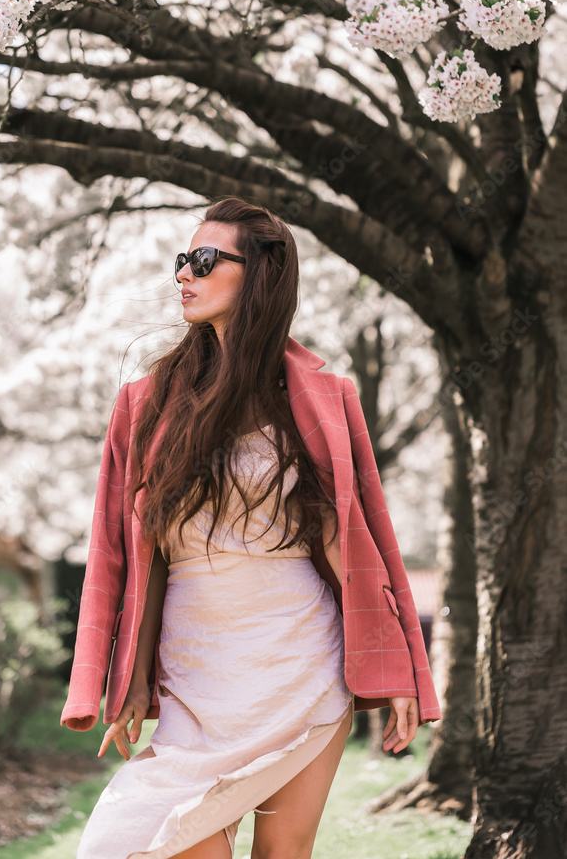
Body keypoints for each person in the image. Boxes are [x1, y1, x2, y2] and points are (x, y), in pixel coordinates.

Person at [61, 197, 442, 859]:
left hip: (301, 658)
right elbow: (112, 552)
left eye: (204, 260)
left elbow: (364, 543)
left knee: (281, 854)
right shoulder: (143, 403)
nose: (185, 273)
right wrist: (121, 676)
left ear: (260, 274)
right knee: (125, 841)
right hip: (193, 672)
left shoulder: (326, 397)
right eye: (182, 260)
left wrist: (405, 668)